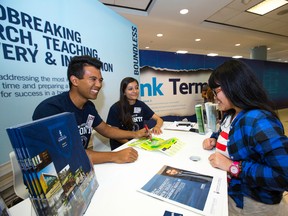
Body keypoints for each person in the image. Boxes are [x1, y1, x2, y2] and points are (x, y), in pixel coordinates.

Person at [202, 60, 288, 215]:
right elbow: (227, 133)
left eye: (216, 91)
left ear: (233, 86)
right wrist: (214, 138)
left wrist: (233, 167)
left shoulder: (259, 121)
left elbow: (283, 176)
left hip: (254, 205)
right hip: (234, 196)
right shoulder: (232, 113)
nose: (214, 97)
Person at [33, 55, 149, 164]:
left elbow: (106, 130)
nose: (98, 85)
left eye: (100, 80)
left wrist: (135, 134)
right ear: (74, 80)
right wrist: (115, 156)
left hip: (82, 166)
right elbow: (66, 153)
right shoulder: (50, 110)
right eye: (93, 79)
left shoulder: (89, 107)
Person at [106, 77, 163, 150]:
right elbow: (114, 133)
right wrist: (131, 144)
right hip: (122, 147)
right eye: (130, 89)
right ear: (124, 92)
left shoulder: (141, 105)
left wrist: (157, 127)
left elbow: (159, 119)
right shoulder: (115, 108)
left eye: (136, 88)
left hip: (138, 143)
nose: (135, 91)